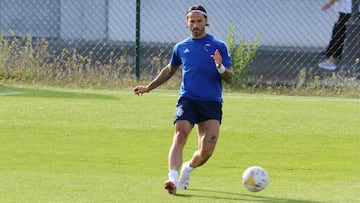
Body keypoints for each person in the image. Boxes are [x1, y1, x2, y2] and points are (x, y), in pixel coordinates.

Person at [133, 5, 233, 195]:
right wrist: (149, 87)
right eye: (192, 21)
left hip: (211, 102)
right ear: (187, 23)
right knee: (180, 135)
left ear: (206, 22)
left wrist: (219, 67)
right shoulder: (181, 47)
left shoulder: (219, 46)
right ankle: (172, 179)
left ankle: (187, 169)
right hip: (188, 99)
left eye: (199, 21)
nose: (195, 24)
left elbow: (230, 78)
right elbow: (169, 70)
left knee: (207, 150)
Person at [319, 0, 352, 71]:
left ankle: (331, 61)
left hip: (347, 13)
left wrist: (328, 4)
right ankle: (329, 55)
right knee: (336, 33)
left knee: (338, 36)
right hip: (346, 12)